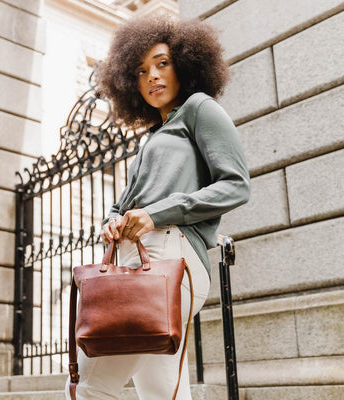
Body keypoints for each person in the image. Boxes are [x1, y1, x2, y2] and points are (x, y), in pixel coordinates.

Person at [65, 14, 251, 400]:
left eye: (162, 64)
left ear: (184, 64)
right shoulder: (152, 138)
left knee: (88, 386)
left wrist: (157, 213)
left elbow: (236, 186)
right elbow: (121, 204)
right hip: (136, 261)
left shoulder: (199, 109)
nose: (152, 76)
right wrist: (112, 221)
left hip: (171, 256)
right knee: (163, 393)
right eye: (141, 70)